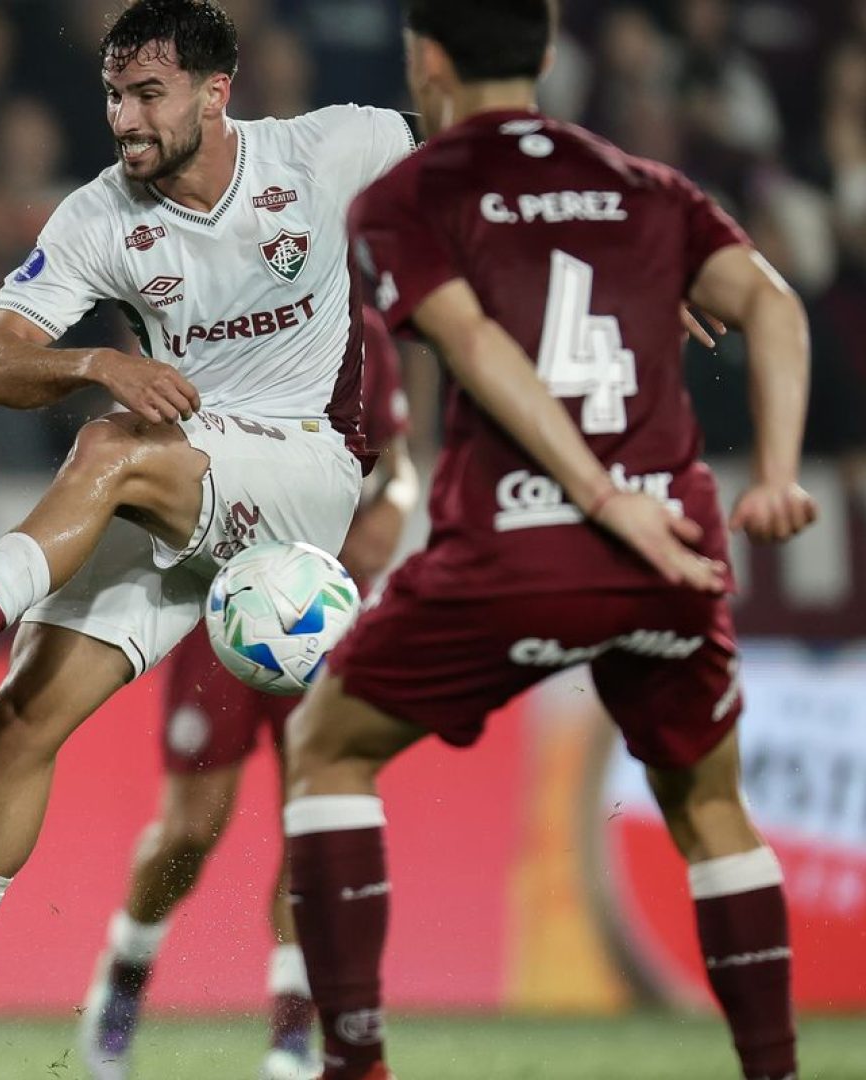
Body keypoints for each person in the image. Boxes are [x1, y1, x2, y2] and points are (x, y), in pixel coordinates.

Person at [0, 0, 418, 1063]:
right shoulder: (98, 217)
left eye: (149, 94)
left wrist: (623, 252)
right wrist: (90, 358)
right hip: (187, 477)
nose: (125, 115)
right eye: (115, 93)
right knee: (22, 720)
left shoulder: (327, 148)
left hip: (308, 471)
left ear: (218, 93)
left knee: (108, 448)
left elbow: (484, 153)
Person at [283, 3, 817, 1079]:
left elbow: (475, 341)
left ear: (426, 60)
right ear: (549, 54)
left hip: (518, 548)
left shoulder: (408, 195)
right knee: (711, 806)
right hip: (673, 542)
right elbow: (775, 308)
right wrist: (776, 474)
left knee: (329, 749)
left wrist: (589, 491)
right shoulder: (644, 184)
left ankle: (352, 1064)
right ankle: (776, 1071)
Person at [80, 307, 416, 1080]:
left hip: (327, 605)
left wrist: (393, 509)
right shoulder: (207, 310)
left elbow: (400, 463)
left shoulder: (358, 331)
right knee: (191, 829)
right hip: (222, 597)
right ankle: (125, 976)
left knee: (313, 819)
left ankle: (292, 1033)